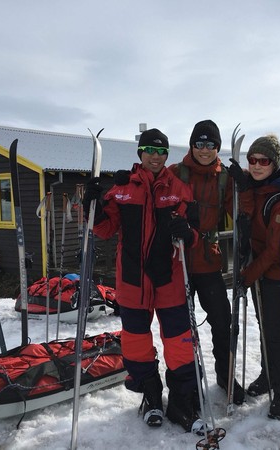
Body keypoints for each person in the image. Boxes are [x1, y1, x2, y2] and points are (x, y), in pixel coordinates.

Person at [82, 128, 202, 433]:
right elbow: (106, 229)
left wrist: (188, 234)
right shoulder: (123, 189)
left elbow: (193, 233)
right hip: (133, 281)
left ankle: (182, 400)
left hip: (170, 279)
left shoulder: (179, 189)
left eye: (161, 152)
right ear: (140, 152)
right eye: (149, 150)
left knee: (179, 345)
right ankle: (150, 395)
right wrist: (91, 205)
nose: (156, 156)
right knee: (136, 345)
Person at [168, 119, 246, 405]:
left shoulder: (225, 178)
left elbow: (241, 208)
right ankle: (188, 381)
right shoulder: (175, 173)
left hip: (210, 262)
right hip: (180, 264)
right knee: (181, 328)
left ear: (217, 147)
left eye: (210, 144)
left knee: (222, 323)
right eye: (199, 143)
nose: (204, 149)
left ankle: (225, 376)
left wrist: (246, 186)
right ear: (191, 145)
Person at [228, 134, 280, 419]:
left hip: (276, 273)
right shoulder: (257, 188)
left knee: (274, 331)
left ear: (274, 163)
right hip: (259, 270)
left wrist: (246, 275)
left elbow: (273, 250)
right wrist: (243, 186)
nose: (256, 165)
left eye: (263, 161)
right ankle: (269, 375)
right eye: (252, 160)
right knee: (265, 325)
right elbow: (248, 213)